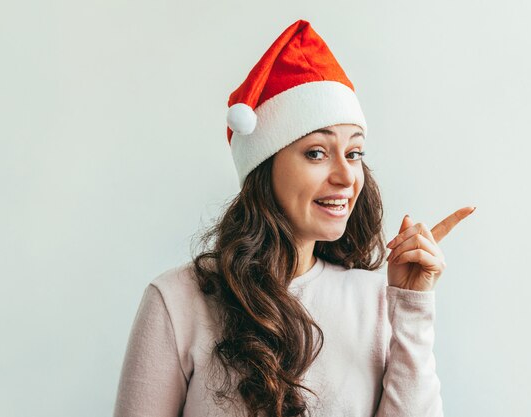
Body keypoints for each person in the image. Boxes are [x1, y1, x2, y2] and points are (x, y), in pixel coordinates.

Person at [112, 19, 475, 417]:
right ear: (264, 167)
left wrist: (413, 306)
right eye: (317, 152)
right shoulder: (178, 301)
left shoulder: (375, 301)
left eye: (354, 153)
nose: (345, 176)